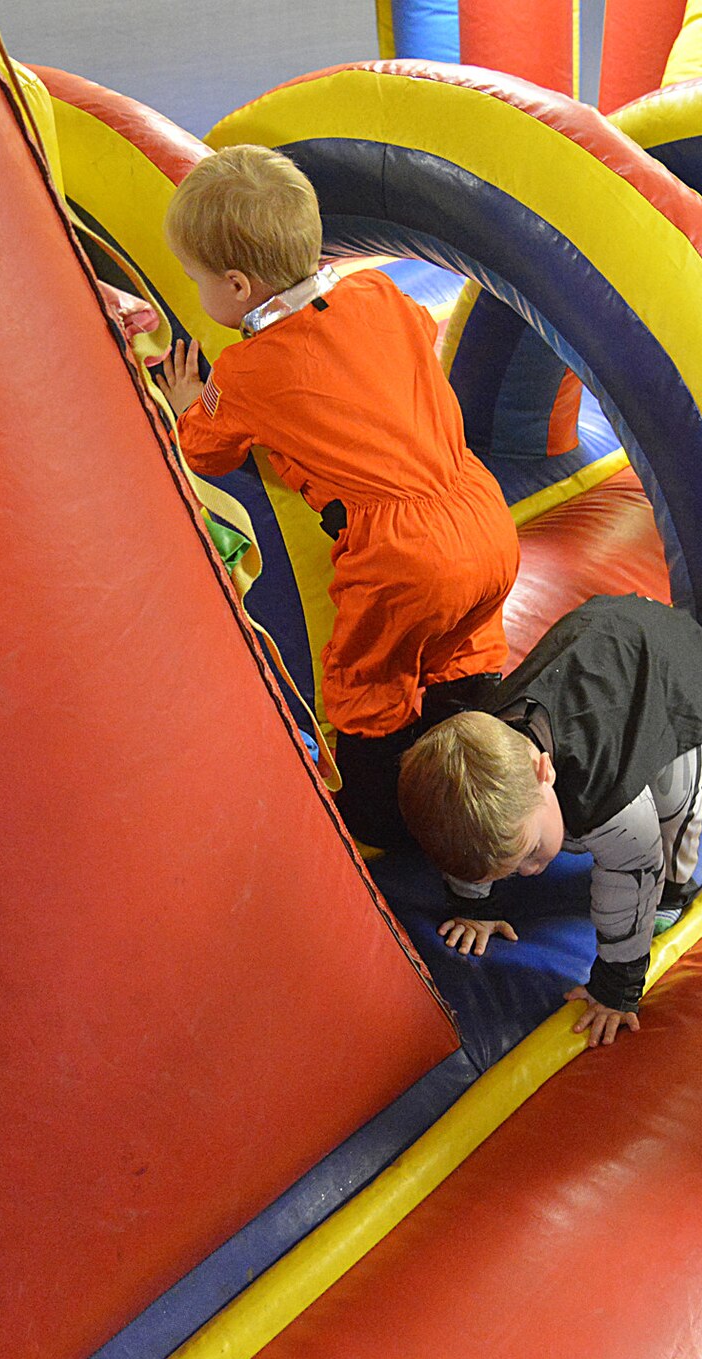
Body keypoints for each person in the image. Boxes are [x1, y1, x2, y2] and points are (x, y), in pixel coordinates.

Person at [152, 144, 521, 848]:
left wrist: (189, 402)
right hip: (483, 514)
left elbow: (204, 447)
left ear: (235, 287)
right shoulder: (379, 293)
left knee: (369, 686)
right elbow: (420, 327)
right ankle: (481, 796)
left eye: (197, 279)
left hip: (403, 558)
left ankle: (381, 824)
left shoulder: (250, 367)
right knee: (463, 655)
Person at [398, 595, 702, 1049]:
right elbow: (458, 832)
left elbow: (633, 868)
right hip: (596, 648)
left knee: (673, 804)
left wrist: (617, 988)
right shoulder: (480, 761)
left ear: (543, 771)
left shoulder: (602, 793)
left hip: (674, 672)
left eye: (530, 852)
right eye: (513, 869)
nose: (531, 870)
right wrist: (473, 905)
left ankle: (676, 887)